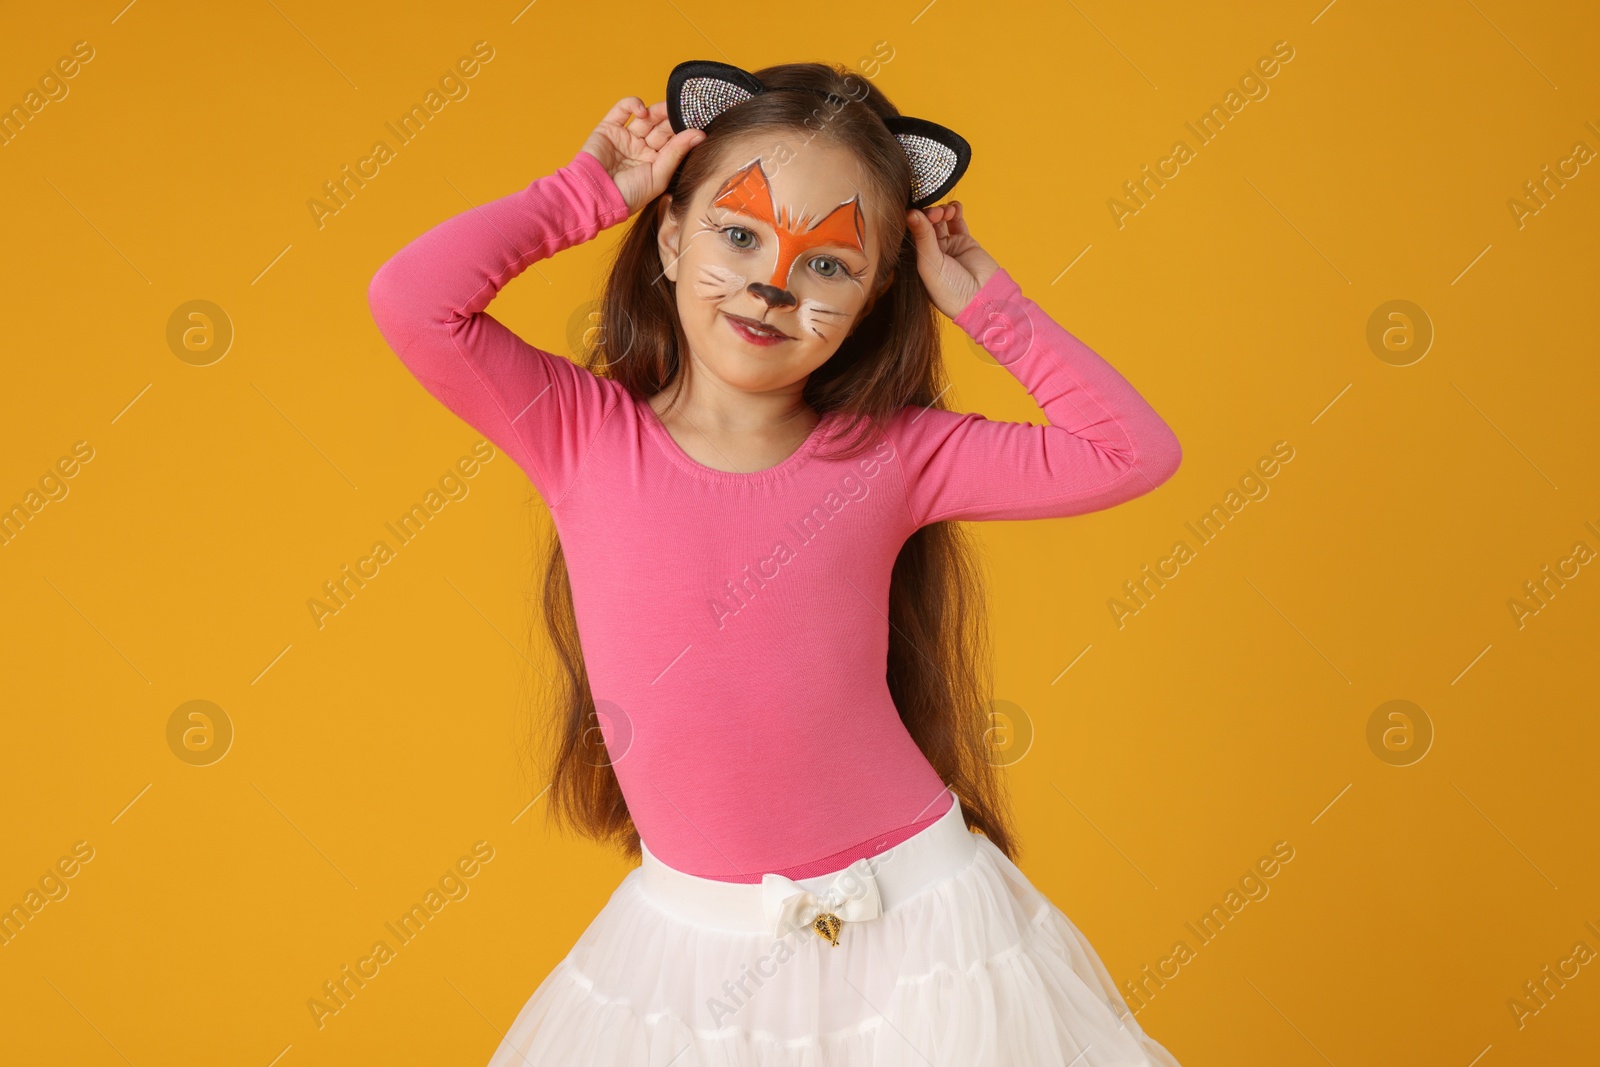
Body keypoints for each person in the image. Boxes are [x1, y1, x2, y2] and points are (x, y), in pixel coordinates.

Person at [367, 58, 1183, 1067]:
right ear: (669, 237)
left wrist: (988, 305)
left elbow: (1129, 451)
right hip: (688, 951)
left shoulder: (895, 454)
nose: (772, 283)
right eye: (739, 233)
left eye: (829, 263)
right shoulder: (577, 432)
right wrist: (583, 194)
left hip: (922, 930)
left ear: (881, 290)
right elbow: (412, 301)